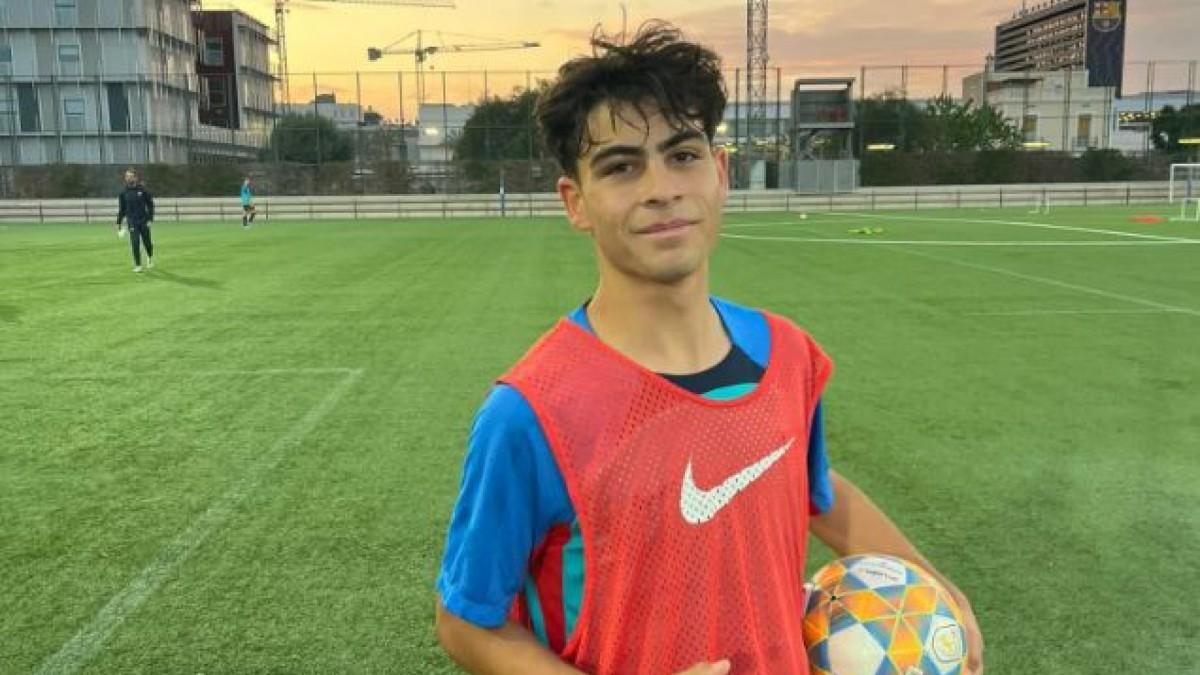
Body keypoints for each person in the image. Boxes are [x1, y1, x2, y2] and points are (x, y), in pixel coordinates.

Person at [434, 23, 984, 675]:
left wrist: (934, 583)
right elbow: (467, 619)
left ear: (719, 173)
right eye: (621, 166)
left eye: (683, 154)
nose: (661, 187)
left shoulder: (787, 353)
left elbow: (814, 489)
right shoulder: (529, 413)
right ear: (575, 202)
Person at [116, 167, 154, 273]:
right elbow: (122, 209)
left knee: (147, 242)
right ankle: (138, 265)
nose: (128, 178)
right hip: (132, 222)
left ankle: (150, 257)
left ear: (135, 178)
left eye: (131, 176)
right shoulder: (123, 193)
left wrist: (150, 219)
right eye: (127, 176)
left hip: (144, 220)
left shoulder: (142, 190)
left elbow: (150, 205)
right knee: (135, 242)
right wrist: (118, 222)